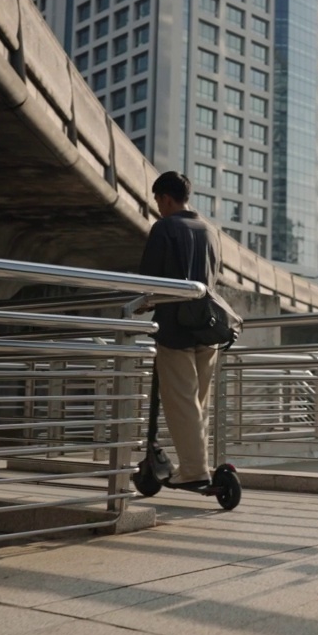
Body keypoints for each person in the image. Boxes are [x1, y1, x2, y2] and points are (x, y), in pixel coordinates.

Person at [138, 171, 221, 490]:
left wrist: (144, 302)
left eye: (158, 200)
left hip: (174, 327)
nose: (158, 206)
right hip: (208, 326)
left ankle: (194, 470)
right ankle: (196, 466)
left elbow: (150, 280)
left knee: (182, 401)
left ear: (166, 198)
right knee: (199, 403)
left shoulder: (165, 228)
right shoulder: (211, 231)